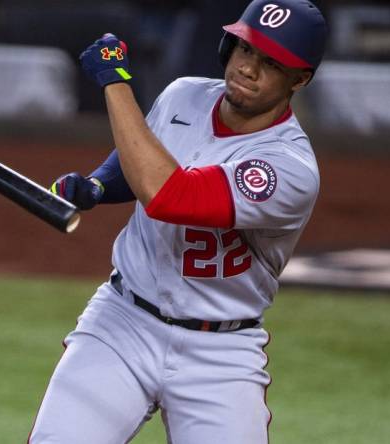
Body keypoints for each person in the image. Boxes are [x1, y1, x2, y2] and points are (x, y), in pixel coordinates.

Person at [30, 0, 327, 443]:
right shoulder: (183, 94)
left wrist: (114, 83)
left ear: (298, 80)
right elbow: (146, 152)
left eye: (270, 63)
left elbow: (170, 195)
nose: (248, 68)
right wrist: (97, 186)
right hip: (122, 322)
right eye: (245, 50)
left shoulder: (287, 166)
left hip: (220, 353)